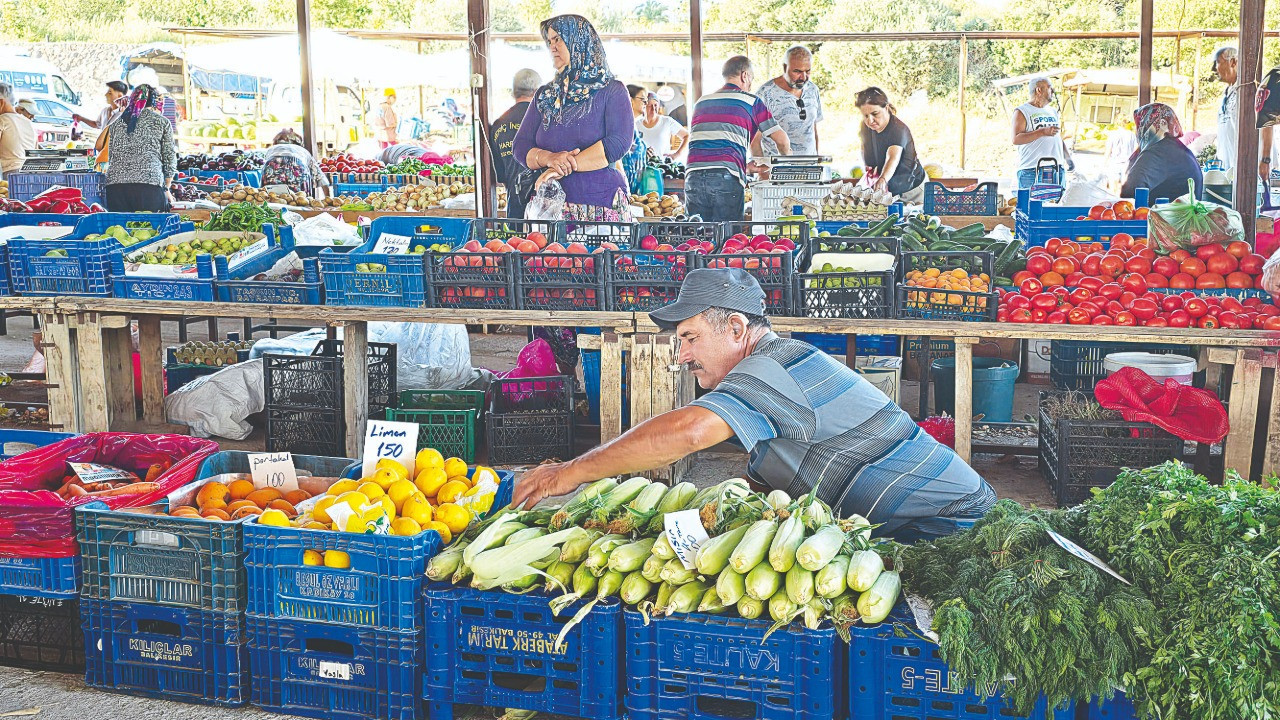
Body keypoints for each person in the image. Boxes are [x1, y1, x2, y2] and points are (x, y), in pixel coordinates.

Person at [513, 267, 997, 541]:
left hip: (953, 526)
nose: (681, 356)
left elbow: (689, 433)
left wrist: (570, 473)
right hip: (915, 521)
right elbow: (764, 489)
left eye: (689, 338)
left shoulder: (772, 367)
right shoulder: (767, 377)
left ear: (737, 330)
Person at [512, 14, 635, 377]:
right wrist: (549, 159)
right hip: (551, 217)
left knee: (595, 297)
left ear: (581, 43)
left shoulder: (612, 91)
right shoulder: (546, 96)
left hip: (600, 213)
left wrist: (567, 166)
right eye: (548, 41)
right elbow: (521, 147)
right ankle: (557, 389)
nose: (552, 47)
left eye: (558, 40)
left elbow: (617, 143)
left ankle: (605, 386)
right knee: (550, 295)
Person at [685, 56, 791, 222]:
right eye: (751, 79)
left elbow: (711, 146)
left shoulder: (701, 102)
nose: (750, 84)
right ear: (744, 76)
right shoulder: (751, 101)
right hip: (726, 180)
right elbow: (782, 141)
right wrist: (789, 165)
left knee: (698, 239)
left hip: (693, 178)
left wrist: (744, 167)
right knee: (728, 241)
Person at [100, 84, 176, 212]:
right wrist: (166, 188)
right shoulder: (162, 122)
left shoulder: (116, 124)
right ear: (154, 102)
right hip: (149, 187)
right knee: (150, 229)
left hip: (116, 188)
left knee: (118, 229)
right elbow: (169, 159)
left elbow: (111, 155)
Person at [1121, 103, 1203, 201]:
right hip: (1185, 213)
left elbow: (1129, 193)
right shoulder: (1179, 149)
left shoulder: (1156, 152)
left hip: (1165, 215)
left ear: (1147, 125)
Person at [857, 87, 926, 203]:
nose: (870, 120)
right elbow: (864, 146)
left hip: (912, 190)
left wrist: (883, 179)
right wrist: (868, 165)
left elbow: (892, 158)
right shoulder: (866, 127)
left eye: (875, 114)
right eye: (865, 116)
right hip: (890, 191)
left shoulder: (898, 129)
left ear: (887, 108)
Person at [489, 68, 541, 219]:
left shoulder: (499, 124)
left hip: (515, 208)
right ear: (537, 91)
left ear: (513, 92)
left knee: (515, 243)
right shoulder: (545, 119)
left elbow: (499, 173)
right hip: (544, 207)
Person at [756, 45, 823, 156]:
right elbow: (754, 138)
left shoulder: (813, 89)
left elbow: (813, 129)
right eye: (797, 72)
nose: (803, 77)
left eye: (808, 71)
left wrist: (817, 159)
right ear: (784, 68)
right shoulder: (765, 94)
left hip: (809, 167)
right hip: (776, 169)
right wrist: (761, 167)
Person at [1012, 77, 1071, 189]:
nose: (1052, 91)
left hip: (1056, 168)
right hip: (1032, 170)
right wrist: (1042, 132)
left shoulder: (1052, 111)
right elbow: (1016, 139)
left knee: (1055, 205)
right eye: (1049, 88)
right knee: (1031, 205)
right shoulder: (1022, 111)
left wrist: (1068, 159)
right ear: (1039, 90)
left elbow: (1057, 138)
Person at [261, 129, 330, 200]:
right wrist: (328, 200)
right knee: (300, 201)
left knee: (271, 200)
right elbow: (321, 179)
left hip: (271, 166)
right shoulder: (302, 151)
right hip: (298, 165)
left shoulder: (271, 149)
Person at [635, 93, 688, 159]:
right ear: (644, 106)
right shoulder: (636, 124)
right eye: (650, 105)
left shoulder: (667, 121)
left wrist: (677, 154)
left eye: (655, 105)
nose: (653, 108)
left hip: (662, 166)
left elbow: (687, 136)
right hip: (641, 166)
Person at [0, 82, 36, 177]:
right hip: (30, 174)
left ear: (1, 103)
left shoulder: (2, 120)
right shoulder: (29, 123)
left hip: (9, 175)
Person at [1103, 120, 1138, 194]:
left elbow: (1108, 150)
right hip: (1127, 164)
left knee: (1112, 188)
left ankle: (1113, 202)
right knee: (1123, 188)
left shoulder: (1113, 134)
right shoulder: (1132, 135)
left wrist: (1104, 163)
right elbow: (1136, 150)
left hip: (1114, 162)